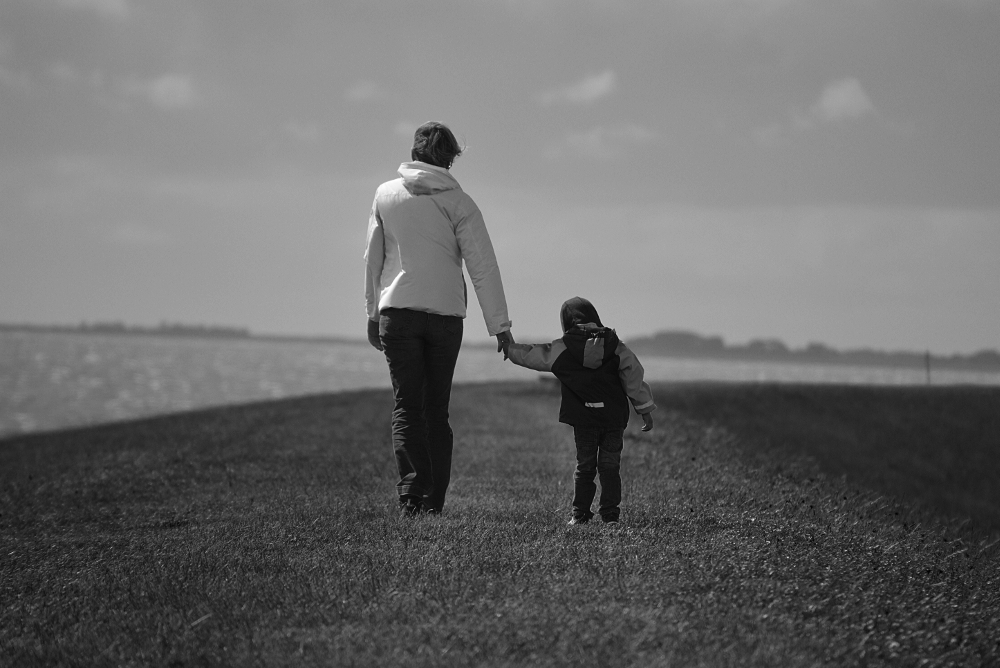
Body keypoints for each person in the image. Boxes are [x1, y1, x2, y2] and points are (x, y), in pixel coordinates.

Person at [364, 121, 513, 516]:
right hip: (446, 317)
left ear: (414, 152)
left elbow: (373, 260)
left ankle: (411, 495)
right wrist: (500, 326)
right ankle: (433, 501)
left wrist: (372, 312)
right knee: (436, 410)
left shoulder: (385, 195)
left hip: (398, 313)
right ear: (449, 159)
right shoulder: (460, 203)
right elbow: (484, 267)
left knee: (406, 406)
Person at [505, 297, 655, 525]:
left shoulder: (562, 348)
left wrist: (508, 347)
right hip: (613, 418)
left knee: (585, 466)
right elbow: (633, 375)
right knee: (610, 466)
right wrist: (644, 409)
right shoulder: (615, 345)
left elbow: (534, 355)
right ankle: (610, 515)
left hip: (584, 419)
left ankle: (580, 515)